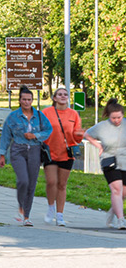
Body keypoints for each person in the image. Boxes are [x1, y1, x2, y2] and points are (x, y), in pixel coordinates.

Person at [0, 85, 52, 225]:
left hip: (34, 150)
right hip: (18, 150)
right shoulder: (13, 117)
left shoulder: (39, 116)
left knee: (32, 184)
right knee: (23, 180)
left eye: (29, 99)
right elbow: (5, 135)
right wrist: (2, 154)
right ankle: (21, 206)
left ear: (32, 100)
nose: (26, 102)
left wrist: (35, 135)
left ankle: (26, 216)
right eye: (24, 99)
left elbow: (48, 130)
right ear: (20, 100)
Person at [41, 85, 84, 225]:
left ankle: (60, 215)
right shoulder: (46, 112)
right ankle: (50, 207)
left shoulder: (73, 114)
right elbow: (40, 130)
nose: (63, 96)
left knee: (62, 185)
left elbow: (76, 135)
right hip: (50, 152)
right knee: (51, 182)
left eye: (65, 94)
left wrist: (80, 134)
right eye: (59, 94)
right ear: (54, 98)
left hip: (67, 153)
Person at [83, 99, 126, 229]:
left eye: (119, 117)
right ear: (109, 116)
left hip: (124, 160)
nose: (117, 120)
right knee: (116, 189)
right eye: (113, 118)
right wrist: (98, 145)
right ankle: (121, 220)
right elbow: (86, 134)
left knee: (123, 193)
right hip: (110, 159)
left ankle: (112, 213)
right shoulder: (101, 127)